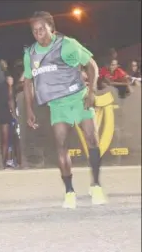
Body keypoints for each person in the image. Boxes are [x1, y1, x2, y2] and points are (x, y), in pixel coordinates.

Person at [23, 11, 107, 209]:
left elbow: (91, 65)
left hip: (78, 99)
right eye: (34, 31)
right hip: (57, 105)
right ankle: (69, 191)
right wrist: (29, 109)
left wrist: (91, 92)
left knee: (92, 139)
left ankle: (96, 185)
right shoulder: (31, 54)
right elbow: (28, 82)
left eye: (42, 29)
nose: (38, 34)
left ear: (51, 28)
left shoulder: (67, 44)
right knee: (61, 145)